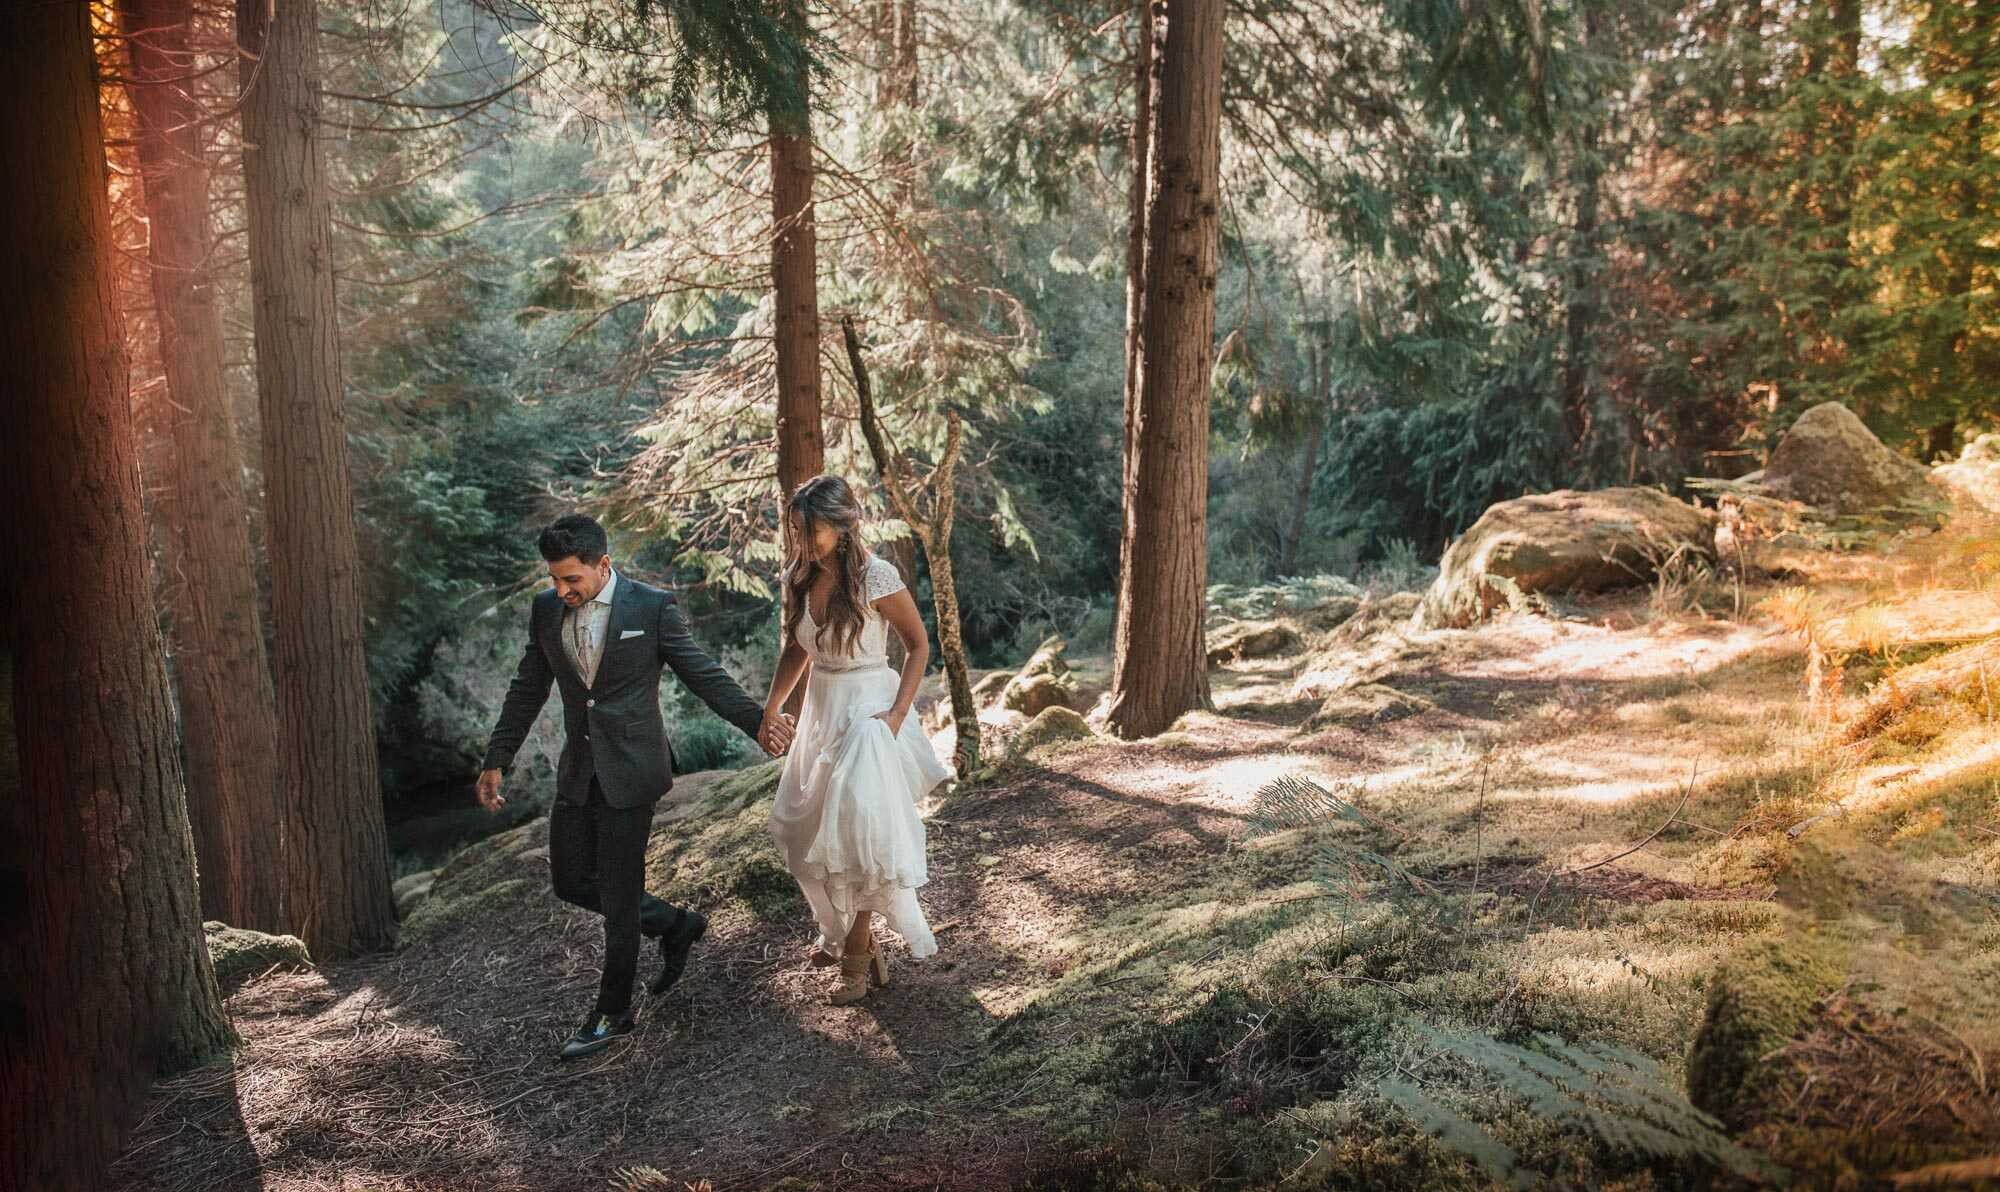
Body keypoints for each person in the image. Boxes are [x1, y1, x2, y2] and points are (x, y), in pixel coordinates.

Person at [477, 513, 794, 1059]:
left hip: (633, 769)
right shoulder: (546, 611)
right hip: (579, 768)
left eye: (572, 578)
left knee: (620, 895)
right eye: (554, 579)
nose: (562, 589)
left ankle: (613, 1011)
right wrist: (496, 758)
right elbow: (528, 687)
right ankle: (676, 925)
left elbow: (702, 674)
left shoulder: (651, 607)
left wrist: (757, 721)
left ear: (604, 565)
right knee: (571, 881)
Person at [763, 476, 953, 1005]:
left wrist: (895, 715)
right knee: (806, 833)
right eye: (798, 529)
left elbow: (917, 645)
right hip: (821, 709)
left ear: (843, 528)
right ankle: (835, 928)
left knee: (861, 832)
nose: (803, 539)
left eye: (813, 530)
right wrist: (773, 706)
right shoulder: (800, 576)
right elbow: (797, 648)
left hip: (868, 711)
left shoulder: (876, 576)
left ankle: (857, 948)